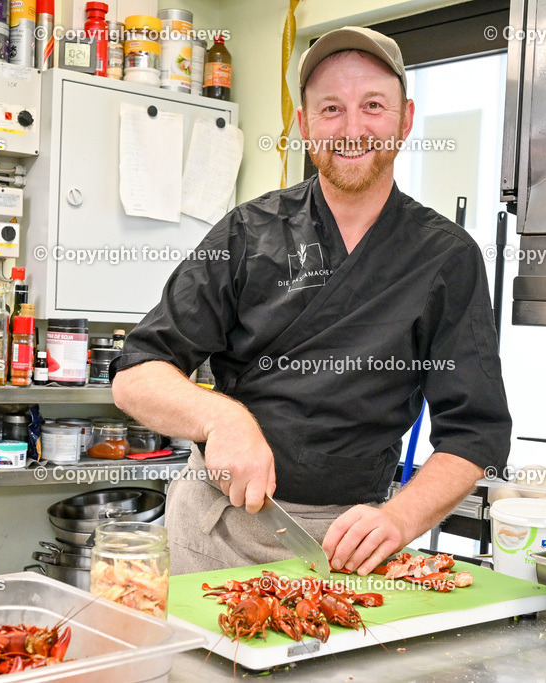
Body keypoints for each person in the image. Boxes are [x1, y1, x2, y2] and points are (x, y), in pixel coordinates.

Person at [110, 26, 511, 575]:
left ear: (406, 119)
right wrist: (223, 420)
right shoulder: (247, 233)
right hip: (218, 528)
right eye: (330, 109)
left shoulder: (446, 258)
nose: (352, 128)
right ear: (303, 125)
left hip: (349, 542)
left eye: (373, 105)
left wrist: (400, 519)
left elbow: (475, 432)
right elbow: (136, 373)